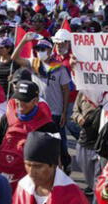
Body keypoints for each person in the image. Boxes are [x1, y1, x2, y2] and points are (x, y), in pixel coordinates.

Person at [11, 37, 71, 171]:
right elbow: (15, 57)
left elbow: (66, 90)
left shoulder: (59, 68)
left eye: (43, 49)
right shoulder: (34, 64)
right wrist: (24, 41)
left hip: (55, 111)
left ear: (50, 50)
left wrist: (64, 111)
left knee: (58, 142)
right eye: (38, 49)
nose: (40, 52)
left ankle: (63, 166)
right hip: (38, 111)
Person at [0, 80, 58, 189]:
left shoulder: (48, 125)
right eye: (18, 98)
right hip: (3, 176)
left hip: (30, 182)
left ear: (36, 101)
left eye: (25, 100)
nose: (20, 103)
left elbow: (54, 159)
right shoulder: (6, 118)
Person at [12, 131, 87, 204]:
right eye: (28, 165)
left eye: (38, 166)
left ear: (53, 165)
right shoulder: (23, 187)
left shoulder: (71, 194)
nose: (31, 173)